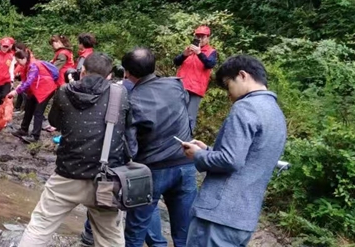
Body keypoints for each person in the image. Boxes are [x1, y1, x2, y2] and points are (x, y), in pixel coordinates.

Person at [18, 52, 128, 247]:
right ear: (109, 75)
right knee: (110, 238)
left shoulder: (64, 91)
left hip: (67, 173)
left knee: (40, 226)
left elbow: (55, 121)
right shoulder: (120, 94)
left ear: (82, 71)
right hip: (105, 177)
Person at [181, 55, 287, 247]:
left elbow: (231, 160)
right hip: (244, 219)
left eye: (228, 85)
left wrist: (198, 155)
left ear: (242, 75)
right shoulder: (275, 112)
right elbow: (250, 157)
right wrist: (208, 150)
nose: (229, 94)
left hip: (218, 215)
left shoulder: (245, 107)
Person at [80, 65, 168, 247]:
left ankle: (89, 233)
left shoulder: (120, 90)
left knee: (105, 193)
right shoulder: (158, 91)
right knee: (142, 201)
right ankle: (157, 243)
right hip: (143, 155)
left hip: (120, 153)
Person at [124, 47, 197, 247]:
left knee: (136, 229)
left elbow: (130, 147)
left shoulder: (132, 100)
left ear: (127, 72)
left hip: (152, 169)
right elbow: (187, 115)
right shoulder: (176, 85)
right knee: (185, 232)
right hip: (185, 162)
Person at [6, 48, 59, 143]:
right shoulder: (27, 65)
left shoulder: (33, 65)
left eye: (18, 61)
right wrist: (18, 88)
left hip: (45, 90)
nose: (18, 63)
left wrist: (16, 91)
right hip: (36, 90)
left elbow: (29, 81)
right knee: (29, 108)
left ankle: (35, 136)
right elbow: (25, 81)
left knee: (38, 112)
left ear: (23, 58)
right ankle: (23, 130)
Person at [174, 26, 217, 132]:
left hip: (196, 89)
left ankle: (187, 138)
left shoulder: (211, 51)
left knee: (190, 116)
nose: (200, 39)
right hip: (181, 85)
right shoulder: (189, 49)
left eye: (202, 36)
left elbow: (210, 64)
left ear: (208, 38)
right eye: (198, 36)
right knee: (176, 113)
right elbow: (176, 62)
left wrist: (199, 53)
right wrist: (184, 55)